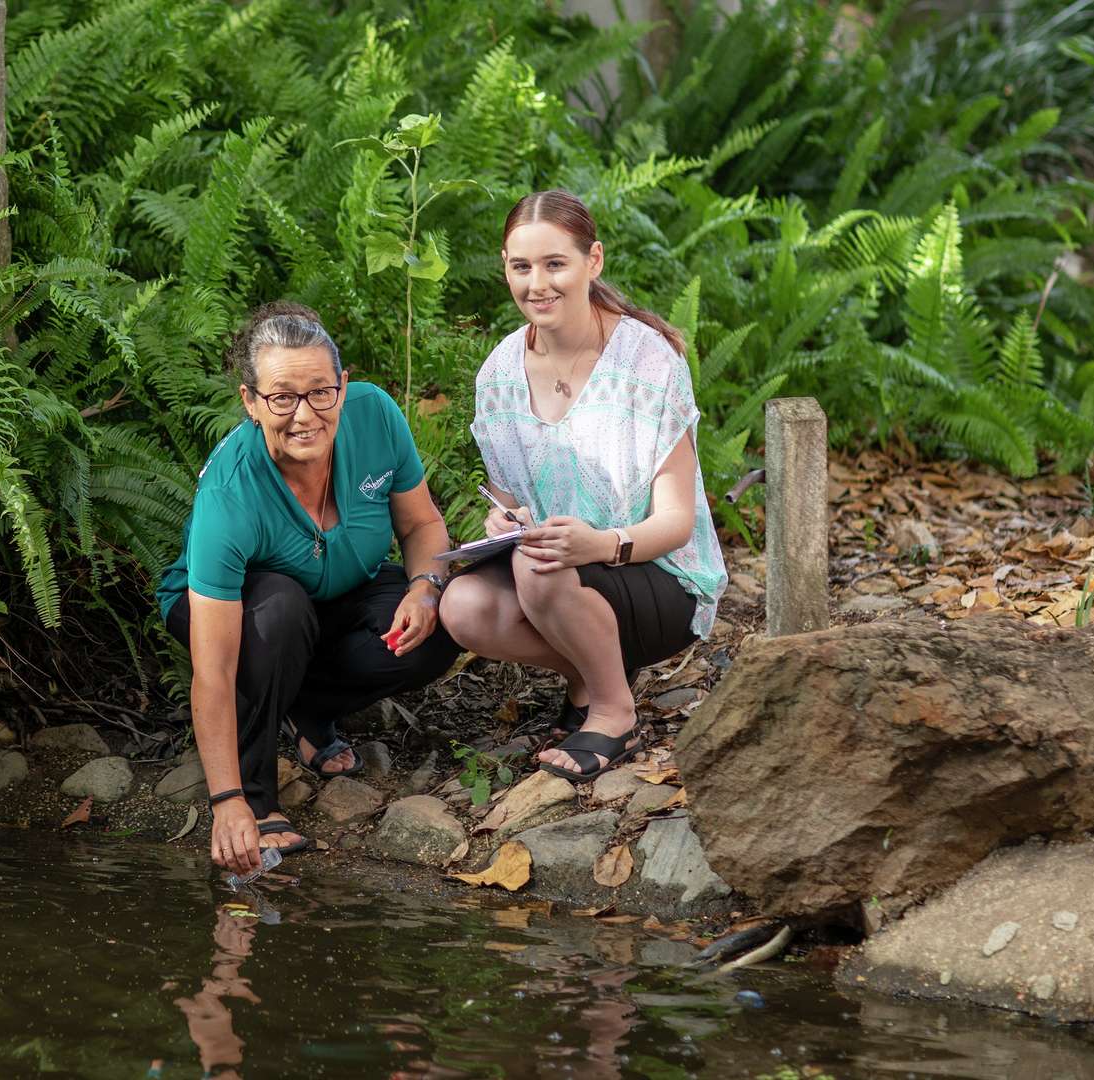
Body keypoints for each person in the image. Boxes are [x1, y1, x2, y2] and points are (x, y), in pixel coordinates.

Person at [159, 302, 461, 874]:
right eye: (281, 397)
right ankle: (258, 793)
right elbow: (215, 669)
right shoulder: (231, 491)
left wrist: (424, 587)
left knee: (443, 624)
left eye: (320, 392)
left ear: (343, 388)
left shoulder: (375, 416)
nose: (304, 414)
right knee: (280, 609)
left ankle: (308, 709)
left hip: (341, 592)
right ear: (250, 402)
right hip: (240, 612)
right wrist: (227, 801)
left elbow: (422, 525)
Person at [438, 190, 727, 783]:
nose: (537, 283)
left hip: (657, 575)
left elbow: (676, 523)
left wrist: (599, 544)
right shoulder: (498, 374)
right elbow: (511, 501)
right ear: (505, 268)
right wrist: (503, 522)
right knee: (462, 607)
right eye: (521, 267)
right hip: (559, 577)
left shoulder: (646, 360)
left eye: (555, 264)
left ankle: (614, 711)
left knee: (536, 569)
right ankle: (590, 677)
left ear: (592, 261)